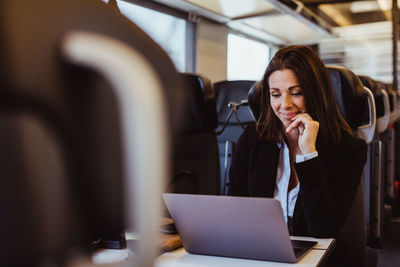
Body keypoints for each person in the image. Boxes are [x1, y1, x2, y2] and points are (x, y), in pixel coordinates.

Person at [228, 45, 367, 265]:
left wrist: (308, 154)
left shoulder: (348, 149)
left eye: (296, 92)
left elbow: (323, 229)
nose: (285, 105)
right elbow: (233, 209)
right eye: (276, 94)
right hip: (260, 255)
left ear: (315, 94)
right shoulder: (252, 140)